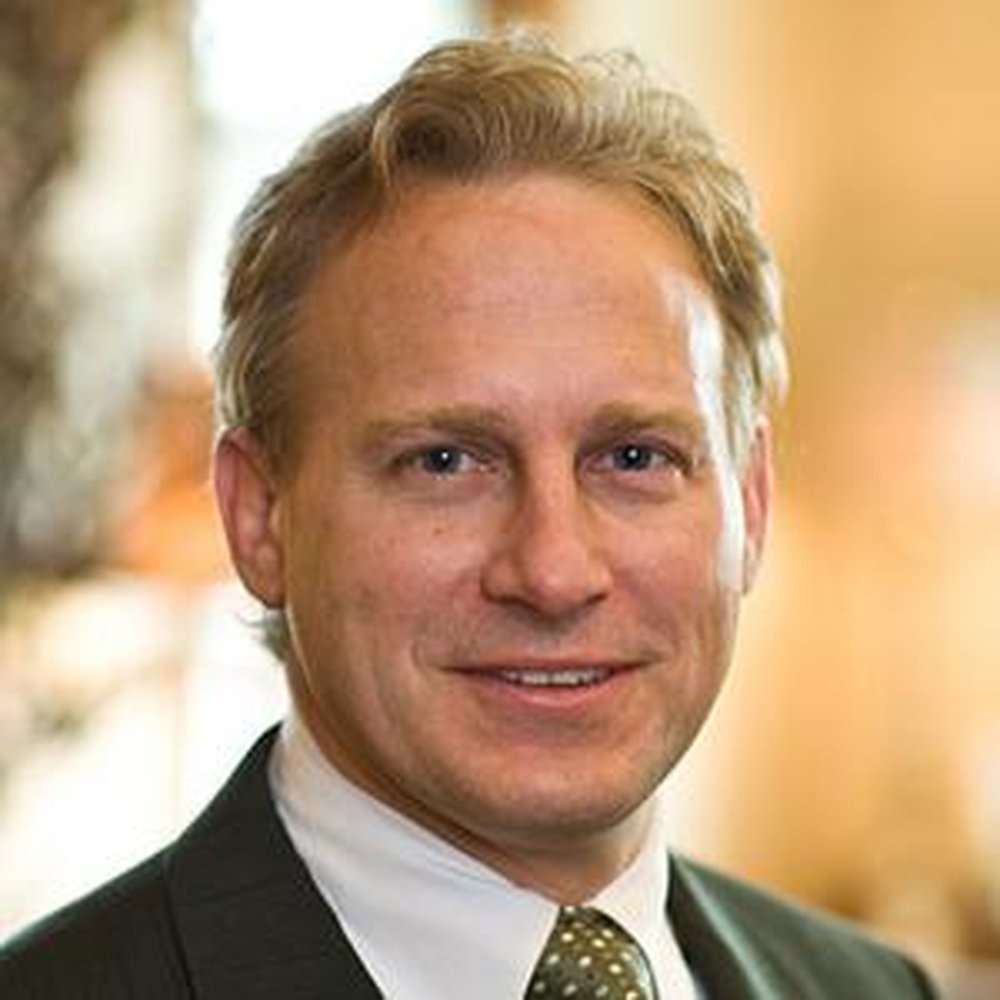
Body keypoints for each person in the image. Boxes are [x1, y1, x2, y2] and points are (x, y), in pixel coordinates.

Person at [0, 32, 936, 999]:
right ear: (260, 517)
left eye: (634, 458)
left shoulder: (874, 988)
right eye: (444, 462)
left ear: (751, 500)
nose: (554, 571)